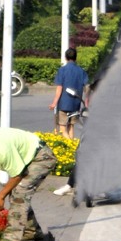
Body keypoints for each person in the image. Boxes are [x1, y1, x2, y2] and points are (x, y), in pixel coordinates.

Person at [49, 48, 90, 196]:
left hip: (64, 103)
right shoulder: (81, 71)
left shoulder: (63, 70)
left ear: (66, 57)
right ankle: (73, 145)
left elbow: (59, 89)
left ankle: (71, 147)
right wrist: (86, 102)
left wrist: (54, 103)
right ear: (76, 57)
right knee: (71, 126)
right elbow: (87, 88)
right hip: (76, 103)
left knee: (62, 129)